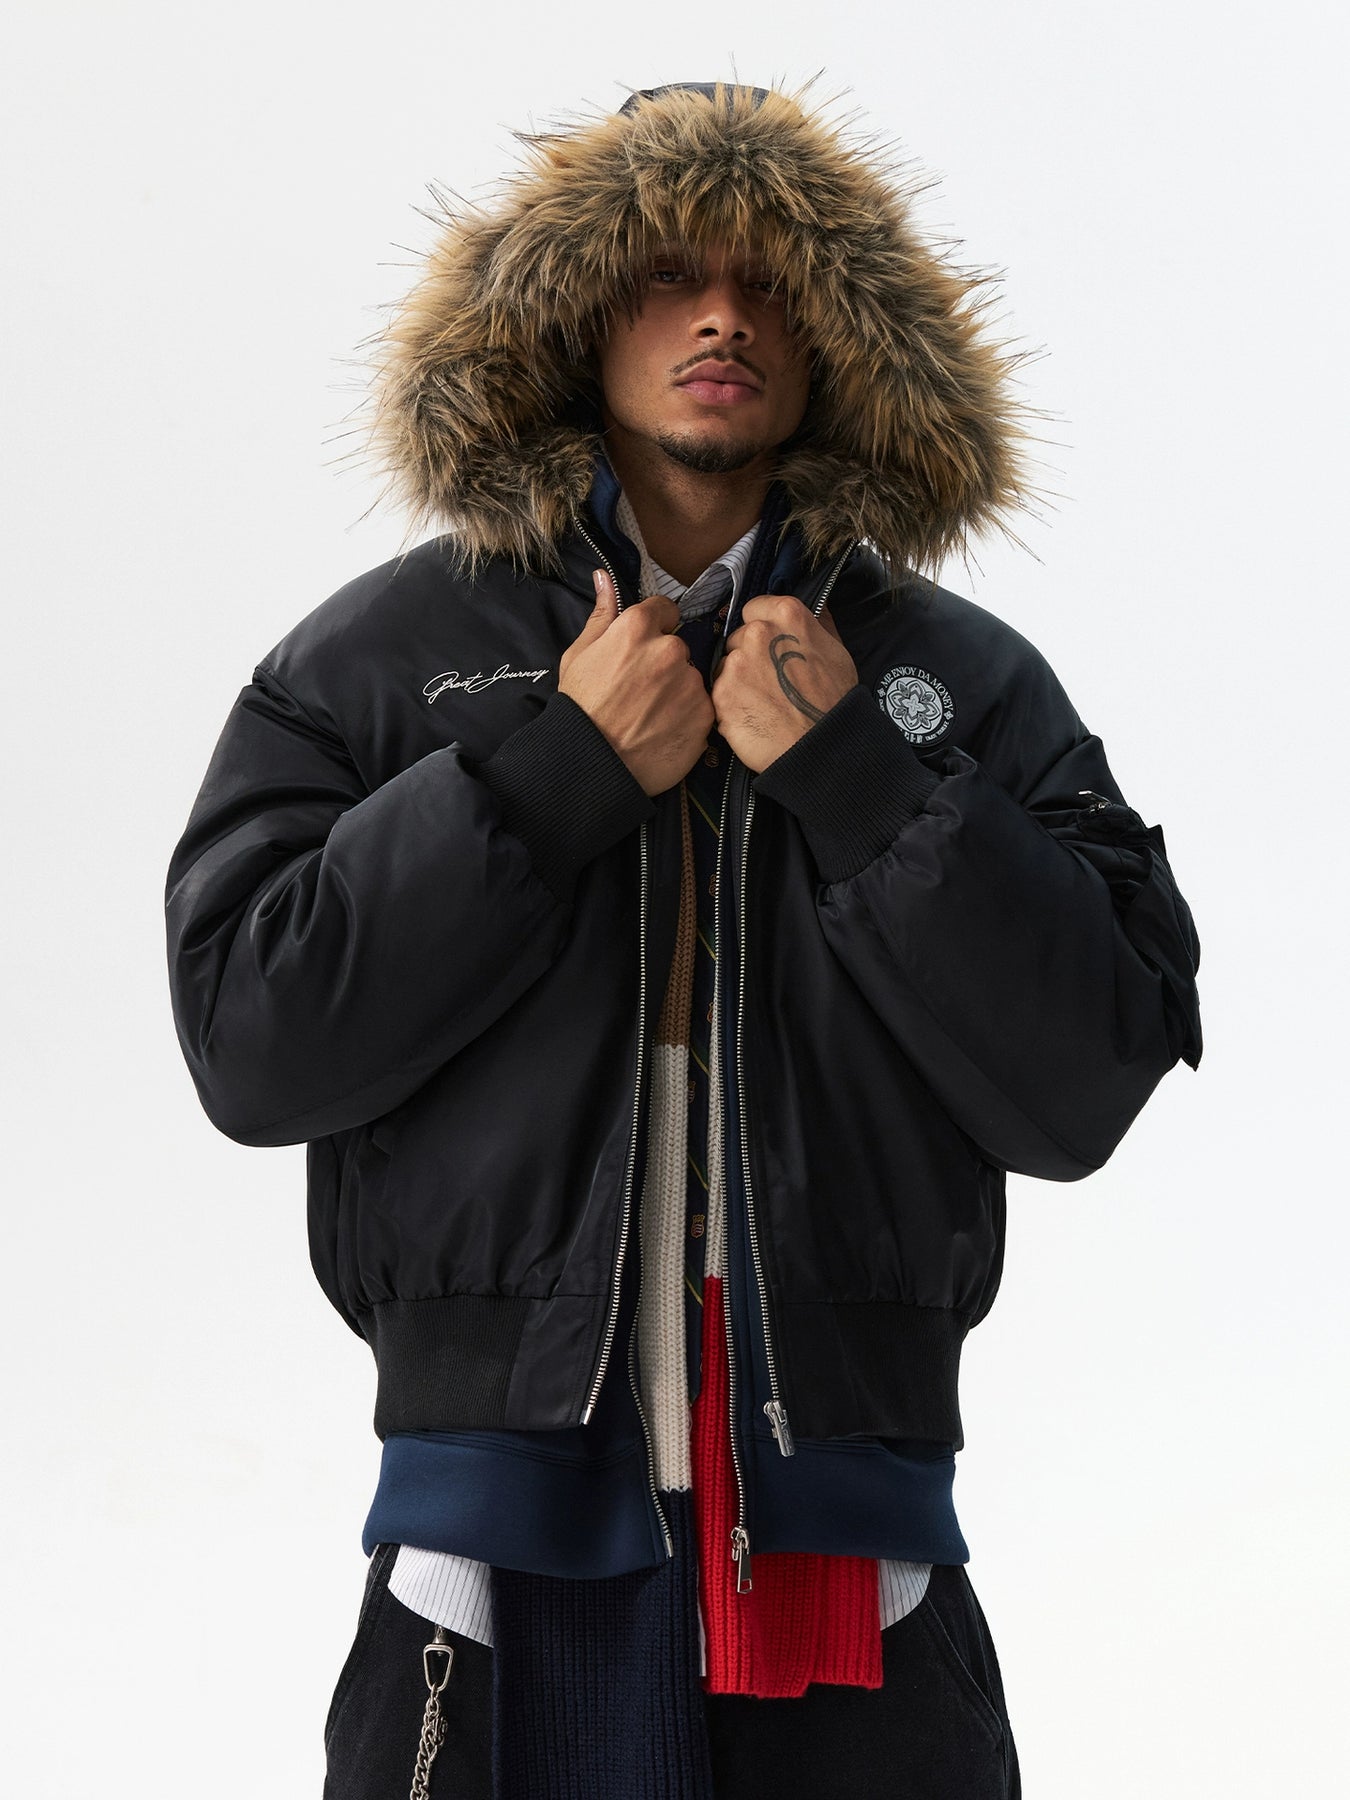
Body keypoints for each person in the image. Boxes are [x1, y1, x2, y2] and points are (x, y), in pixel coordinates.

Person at [163, 78, 1202, 1800]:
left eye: (775, 280)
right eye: (666, 273)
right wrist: (553, 775)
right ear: (574, 313)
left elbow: (1085, 1079)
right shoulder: (375, 661)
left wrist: (860, 779)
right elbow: (252, 1046)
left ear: (845, 334)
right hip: (477, 1567)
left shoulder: (960, 682)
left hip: (859, 1572)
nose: (722, 316)